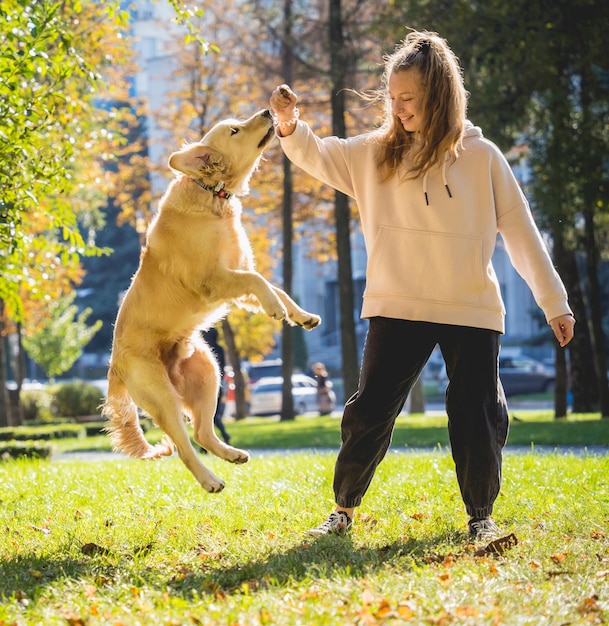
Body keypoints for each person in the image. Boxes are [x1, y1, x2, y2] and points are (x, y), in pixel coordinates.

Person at [269, 30, 575, 542]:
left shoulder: (484, 158)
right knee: (369, 410)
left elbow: (522, 235)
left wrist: (554, 302)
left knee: (477, 413)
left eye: (407, 98)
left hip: (471, 305)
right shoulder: (375, 153)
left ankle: (482, 519)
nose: (398, 108)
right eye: (392, 98)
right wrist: (287, 124)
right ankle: (342, 511)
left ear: (438, 95)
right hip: (398, 301)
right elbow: (319, 154)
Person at [201, 327, 231, 445]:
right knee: (212, 413)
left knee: (206, 414)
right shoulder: (220, 349)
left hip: (205, 385)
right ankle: (220, 436)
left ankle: (220, 436)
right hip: (218, 384)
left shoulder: (204, 351)